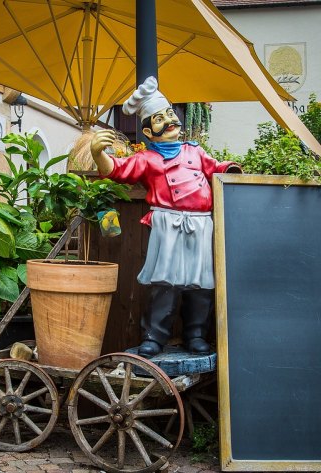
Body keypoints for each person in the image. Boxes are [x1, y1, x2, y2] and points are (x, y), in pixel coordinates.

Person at [89, 76, 241, 357]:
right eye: (160, 118)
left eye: (170, 114)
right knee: (165, 284)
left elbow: (215, 167)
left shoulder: (195, 151)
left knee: (202, 282)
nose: (169, 121)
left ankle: (196, 334)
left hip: (200, 224)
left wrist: (230, 171)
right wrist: (99, 153)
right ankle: (155, 337)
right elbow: (117, 170)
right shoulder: (146, 159)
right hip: (168, 225)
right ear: (148, 131)